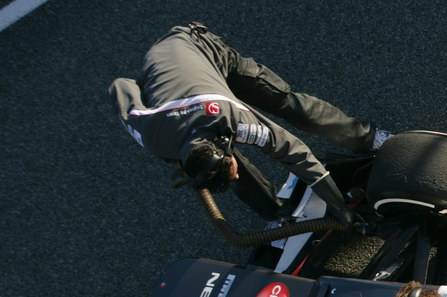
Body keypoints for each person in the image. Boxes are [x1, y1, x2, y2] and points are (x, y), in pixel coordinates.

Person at [109, 22, 392, 222]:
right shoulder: (151, 135)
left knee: (284, 102)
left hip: (196, 47)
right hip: (168, 75)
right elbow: (121, 85)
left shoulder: (234, 118)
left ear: (223, 145)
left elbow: (295, 153)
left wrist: (339, 206)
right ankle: (278, 214)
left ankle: (370, 138)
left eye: (231, 171)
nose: (235, 175)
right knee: (234, 169)